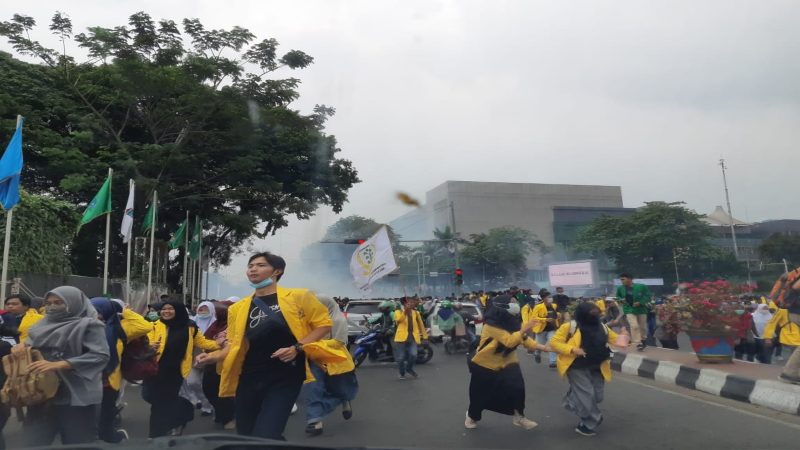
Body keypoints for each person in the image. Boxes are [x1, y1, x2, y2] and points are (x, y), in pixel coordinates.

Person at [195, 251, 332, 440]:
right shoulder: (238, 308)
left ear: (277, 271)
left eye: (260, 265)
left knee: (267, 433)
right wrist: (212, 356)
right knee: (246, 435)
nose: (253, 269)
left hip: (286, 375)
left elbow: (323, 324)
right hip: (249, 376)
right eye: (250, 265)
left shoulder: (299, 296)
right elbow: (235, 344)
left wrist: (297, 347)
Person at [18, 286, 110, 447]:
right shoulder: (40, 325)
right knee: (33, 442)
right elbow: (34, 346)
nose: (52, 307)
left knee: (78, 443)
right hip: (41, 394)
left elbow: (100, 356)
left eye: (59, 302)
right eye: (49, 303)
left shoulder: (89, 325)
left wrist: (60, 364)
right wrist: (22, 347)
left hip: (75, 396)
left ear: (73, 303)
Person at [465, 295, 544, 430]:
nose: (516, 304)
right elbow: (509, 341)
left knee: (518, 388)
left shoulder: (512, 321)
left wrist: (544, 347)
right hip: (485, 364)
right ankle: (472, 416)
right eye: (512, 302)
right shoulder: (491, 325)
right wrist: (524, 329)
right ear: (502, 307)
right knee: (480, 395)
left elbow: (523, 338)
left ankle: (519, 417)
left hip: (508, 361)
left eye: (515, 302)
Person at [144, 301, 220, 438]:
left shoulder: (190, 327)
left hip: (175, 372)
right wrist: (149, 346)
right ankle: (183, 414)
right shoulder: (154, 326)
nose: (166, 311)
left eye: (170, 309)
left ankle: (155, 434)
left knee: (159, 403)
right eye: (164, 309)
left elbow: (202, 343)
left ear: (178, 310)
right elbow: (147, 341)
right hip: (154, 369)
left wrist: (220, 344)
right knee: (149, 396)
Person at [549, 302, 622, 437]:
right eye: (592, 314)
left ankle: (571, 400)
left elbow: (617, 340)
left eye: (596, 313)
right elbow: (554, 343)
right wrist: (572, 349)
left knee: (597, 397)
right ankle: (592, 421)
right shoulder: (570, 327)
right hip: (576, 366)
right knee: (586, 395)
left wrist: (624, 336)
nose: (594, 316)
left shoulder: (602, 327)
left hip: (597, 366)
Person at [89, 297, 151, 443]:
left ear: (108, 311)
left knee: (106, 416)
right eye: (90, 311)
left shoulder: (119, 329)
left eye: (97, 311)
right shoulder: (84, 327)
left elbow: (145, 326)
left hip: (109, 381)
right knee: (87, 418)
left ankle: (108, 437)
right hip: (87, 380)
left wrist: (126, 311)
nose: (94, 314)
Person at [304, 295, 358, 436]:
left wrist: (312, 344)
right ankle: (314, 421)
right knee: (314, 390)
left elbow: (339, 342)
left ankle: (343, 400)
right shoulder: (309, 321)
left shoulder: (338, 320)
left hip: (337, 360)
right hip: (315, 360)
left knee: (340, 391)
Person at [201, 302, 236, 429]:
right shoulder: (214, 325)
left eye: (218, 312)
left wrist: (222, 343)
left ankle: (229, 417)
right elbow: (205, 340)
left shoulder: (233, 326)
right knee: (209, 389)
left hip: (226, 363)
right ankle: (222, 412)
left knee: (224, 391)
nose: (215, 314)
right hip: (211, 362)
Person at [764, 277, 800, 384]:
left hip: (795, 333)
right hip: (790, 334)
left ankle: (794, 374)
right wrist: (768, 337)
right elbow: (772, 323)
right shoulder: (783, 310)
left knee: (796, 353)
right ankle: (789, 374)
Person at [184, 301, 217, 416]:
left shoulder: (216, 323)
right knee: (192, 382)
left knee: (208, 385)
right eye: (200, 309)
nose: (202, 311)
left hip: (212, 358)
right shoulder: (191, 322)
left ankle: (210, 406)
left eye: (205, 309)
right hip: (194, 357)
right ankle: (205, 403)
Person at [392, 296, 429, 379]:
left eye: (412, 302)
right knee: (401, 358)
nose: (412, 303)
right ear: (405, 303)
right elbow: (398, 321)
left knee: (414, 355)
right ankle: (402, 373)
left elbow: (421, 325)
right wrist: (405, 311)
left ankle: (409, 368)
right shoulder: (398, 312)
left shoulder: (416, 313)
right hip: (401, 338)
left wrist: (425, 336)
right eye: (410, 302)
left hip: (412, 338)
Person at [615, 273, 652, 351]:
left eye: (623, 279)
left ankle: (643, 339)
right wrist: (621, 300)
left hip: (641, 309)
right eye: (621, 279)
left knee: (643, 327)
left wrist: (640, 302)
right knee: (634, 326)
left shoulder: (641, 287)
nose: (621, 281)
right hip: (629, 309)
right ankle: (638, 343)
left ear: (629, 279)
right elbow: (617, 298)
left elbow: (648, 296)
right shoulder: (620, 288)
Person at [531, 290, 559, 368]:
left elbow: (555, 314)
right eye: (548, 297)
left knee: (552, 343)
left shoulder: (554, 305)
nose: (550, 298)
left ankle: (552, 361)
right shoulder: (538, 306)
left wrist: (558, 316)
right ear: (544, 298)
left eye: (550, 296)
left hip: (552, 328)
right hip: (541, 329)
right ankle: (537, 353)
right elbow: (534, 317)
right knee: (539, 345)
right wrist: (545, 319)